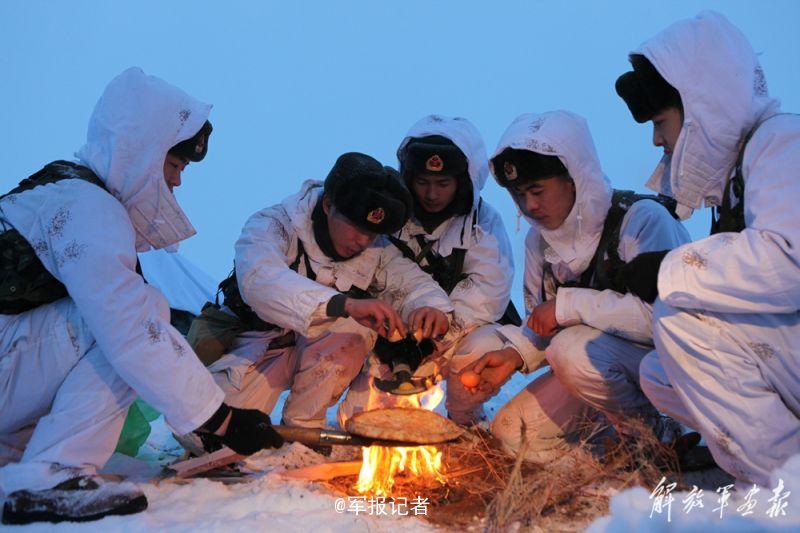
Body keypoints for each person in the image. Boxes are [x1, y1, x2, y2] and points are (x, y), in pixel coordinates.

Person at [0, 68, 283, 525]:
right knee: (135, 314)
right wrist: (220, 419)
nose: (177, 182)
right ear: (141, 153)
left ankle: (30, 463)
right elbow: (128, 326)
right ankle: (52, 474)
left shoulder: (63, 192)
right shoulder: (89, 207)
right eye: (174, 165)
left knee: (123, 316)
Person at [615, 11, 800, 486]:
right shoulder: (745, 169)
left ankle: (786, 485)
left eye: (661, 121)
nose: (657, 139)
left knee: (680, 321)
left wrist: (669, 271)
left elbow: (787, 261)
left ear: (702, 109)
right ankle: (758, 461)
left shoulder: (783, 143)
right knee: (660, 370)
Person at [462, 110, 690, 460]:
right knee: (511, 434)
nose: (529, 205)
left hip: (669, 373)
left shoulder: (641, 220)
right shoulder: (538, 243)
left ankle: (654, 435)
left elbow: (668, 321)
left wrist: (569, 307)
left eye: (537, 190)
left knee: (572, 349)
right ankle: (601, 460)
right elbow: (544, 325)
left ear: (574, 178)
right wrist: (515, 355)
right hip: (596, 377)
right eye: (519, 195)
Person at [201, 152, 452, 434]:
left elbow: (413, 283)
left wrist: (430, 306)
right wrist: (343, 305)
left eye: (371, 233)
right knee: (205, 432)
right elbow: (260, 281)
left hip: (319, 352)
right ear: (328, 204)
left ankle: (304, 430)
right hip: (261, 345)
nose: (362, 241)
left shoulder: (376, 250)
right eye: (356, 227)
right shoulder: (274, 225)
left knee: (354, 333)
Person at [338, 115, 515, 425]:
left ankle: (465, 420)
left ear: (463, 182)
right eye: (423, 182)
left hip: (458, 334)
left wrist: (433, 337)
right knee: (361, 423)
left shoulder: (484, 224)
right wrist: (394, 337)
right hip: (390, 338)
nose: (432, 194)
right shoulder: (387, 214)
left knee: (481, 352)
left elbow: (489, 293)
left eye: (443, 183)